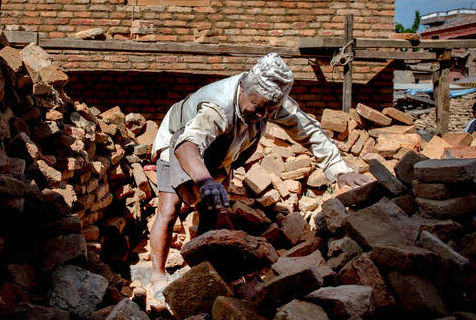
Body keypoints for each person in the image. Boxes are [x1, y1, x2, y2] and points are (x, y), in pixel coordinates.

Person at [147, 53, 370, 305]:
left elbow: (308, 131)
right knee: (169, 207)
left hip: (223, 148)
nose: (262, 115)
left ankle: (210, 274)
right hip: (179, 139)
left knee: (215, 208)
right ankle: (157, 276)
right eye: (258, 106)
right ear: (243, 88)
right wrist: (205, 181)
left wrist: (339, 169)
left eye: (269, 110)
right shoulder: (217, 105)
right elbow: (187, 146)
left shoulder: (269, 104)